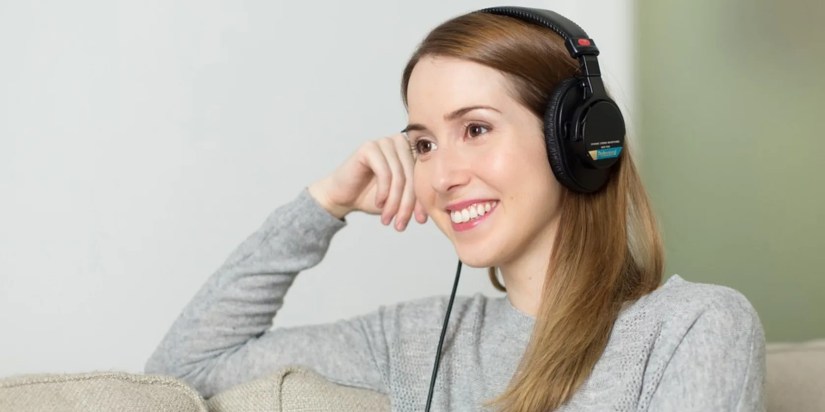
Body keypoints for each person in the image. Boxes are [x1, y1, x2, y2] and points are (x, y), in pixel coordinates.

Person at [145, 7, 765, 411]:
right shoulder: (413, 340)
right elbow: (182, 373)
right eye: (422, 144)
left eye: (475, 129)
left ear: (577, 141)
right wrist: (323, 204)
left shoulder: (692, 327)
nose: (440, 177)